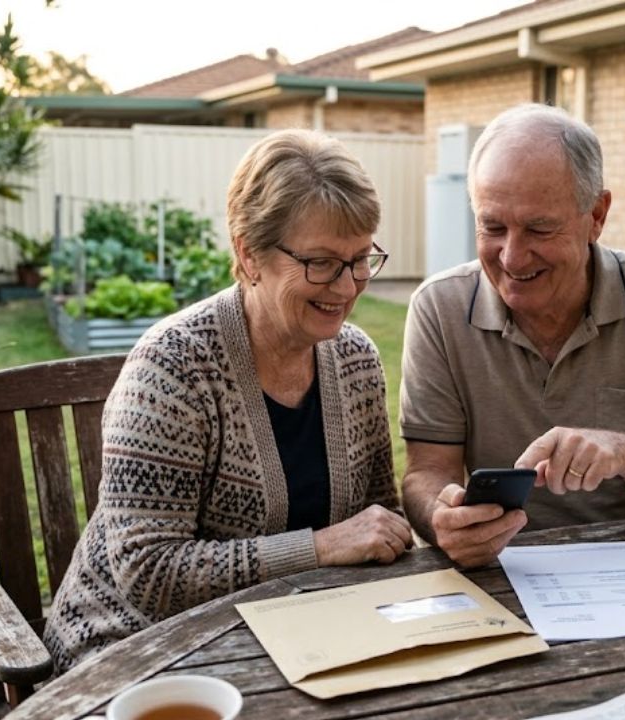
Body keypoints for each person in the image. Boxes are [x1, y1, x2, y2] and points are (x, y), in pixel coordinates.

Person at [44, 129, 413, 672]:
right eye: (321, 262)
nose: (347, 286)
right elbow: (148, 572)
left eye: (360, 259)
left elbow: (378, 520)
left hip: (298, 634)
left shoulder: (356, 360)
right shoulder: (174, 368)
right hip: (137, 645)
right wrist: (318, 548)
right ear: (249, 253)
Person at [399, 104, 625, 568]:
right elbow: (426, 473)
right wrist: (441, 518)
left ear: (597, 215)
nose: (512, 257)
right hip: (504, 569)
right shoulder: (439, 308)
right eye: (492, 227)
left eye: (539, 228)